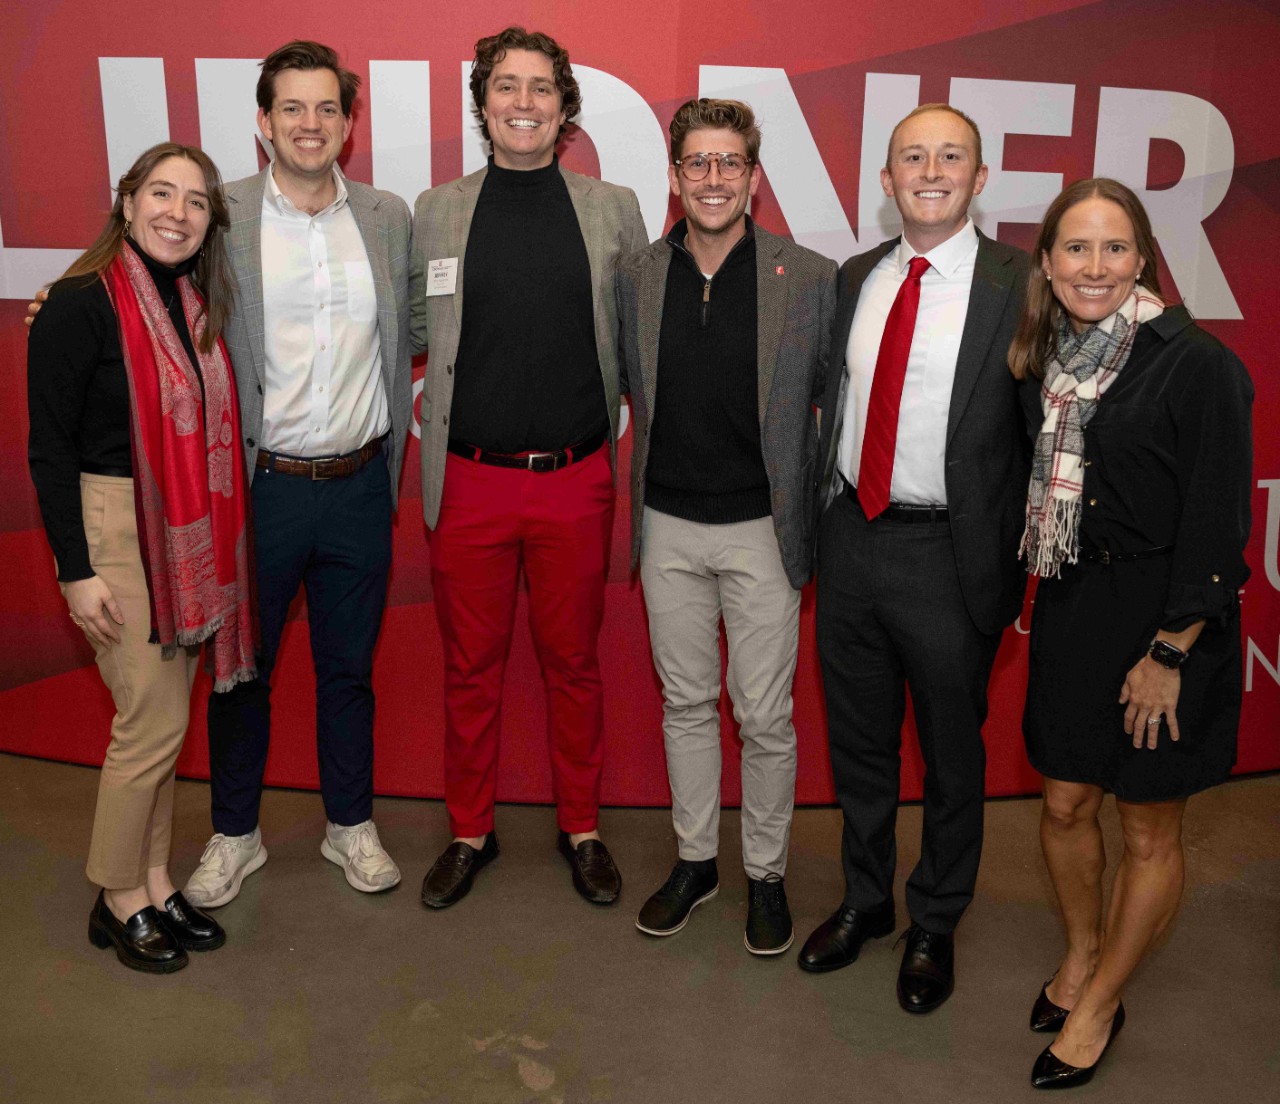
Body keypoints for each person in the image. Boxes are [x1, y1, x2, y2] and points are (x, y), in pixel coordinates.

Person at [1011, 178, 1252, 1089]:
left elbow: (1218, 525)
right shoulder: (1048, 362)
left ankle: (1103, 999)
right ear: (1047, 262)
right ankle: (1080, 955)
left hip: (1169, 627)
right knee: (1066, 805)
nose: (1095, 266)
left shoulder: (1199, 366)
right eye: (1077, 248)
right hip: (1077, 608)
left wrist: (1170, 651)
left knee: (1149, 830)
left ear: (1143, 259)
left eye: (1115, 249)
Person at [409, 26, 646, 909]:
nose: (523, 102)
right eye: (505, 86)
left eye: (541, 88)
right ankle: (470, 830)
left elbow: (642, 329)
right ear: (481, 102)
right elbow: (402, 328)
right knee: (469, 665)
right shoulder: (436, 210)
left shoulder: (612, 206)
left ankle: (580, 826)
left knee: (573, 662)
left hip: (577, 477)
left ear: (564, 105)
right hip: (468, 478)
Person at [801, 104, 1030, 1011]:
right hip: (852, 540)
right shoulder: (859, 276)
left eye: (951, 156)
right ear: (886, 180)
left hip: (951, 551)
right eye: (911, 157)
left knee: (949, 756)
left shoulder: (1024, 280)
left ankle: (934, 918)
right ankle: (867, 902)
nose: (929, 170)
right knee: (858, 746)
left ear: (980, 179)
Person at [184, 41, 413, 905]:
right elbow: (149, 284)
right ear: (262, 121)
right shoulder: (224, 214)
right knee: (241, 672)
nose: (309, 125)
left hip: (359, 486)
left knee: (349, 670)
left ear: (348, 126)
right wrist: (66, 302)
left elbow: (422, 325)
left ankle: (348, 826)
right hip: (259, 490)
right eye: (292, 108)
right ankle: (234, 834)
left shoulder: (388, 218)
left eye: (326, 109)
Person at [27, 142, 254, 972]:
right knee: (148, 725)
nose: (177, 213)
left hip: (181, 534)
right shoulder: (81, 303)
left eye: (196, 201)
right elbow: (47, 450)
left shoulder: (194, 302)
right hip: (115, 529)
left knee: (165, 723)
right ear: (127, 201)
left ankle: (154, 879)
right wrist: (74, 570)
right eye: (162, 193)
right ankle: (116, 896)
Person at [616, 98, 835, 954]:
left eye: (730, 163)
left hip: (762, 530)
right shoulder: (634, 275)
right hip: (667, 523)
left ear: (753, 176)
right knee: (685, 703)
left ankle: (767, 874)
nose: (713, 179)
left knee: (766, 715)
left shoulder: (810, 278)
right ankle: (697, 861)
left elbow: (833, 404)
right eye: (697, 164)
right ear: (674, 178)